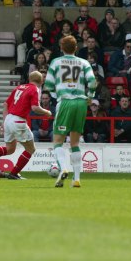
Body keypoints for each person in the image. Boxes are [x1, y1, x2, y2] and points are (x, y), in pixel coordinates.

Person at [0, 71, 51, 179]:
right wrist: (47, 112)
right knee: (31, 149)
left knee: (10, 149)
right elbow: (35, 108)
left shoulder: (19, 87)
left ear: (29, 79)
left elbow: (5, 104)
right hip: (18, 121)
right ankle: (13, 173)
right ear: (41, 81)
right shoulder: (35, 89)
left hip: (9, 119)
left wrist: (4, 122)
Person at [44, 35, 96, 188]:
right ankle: (77, 178)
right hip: (81, 102)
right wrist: (90, 96)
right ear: (76, 48)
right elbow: (92, 82)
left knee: (58, 141)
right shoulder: (84, 62)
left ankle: (63, 168)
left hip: (66, 101)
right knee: (75, 142)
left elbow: (48, 84)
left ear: (61, 48)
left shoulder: (56, 62)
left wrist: (55, 94)